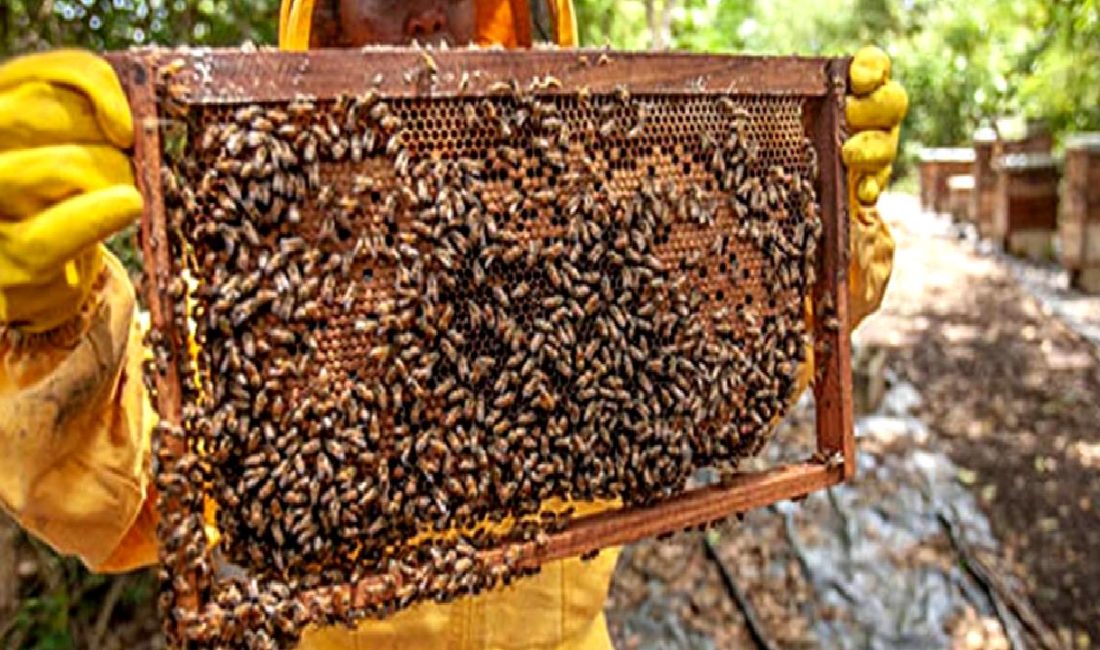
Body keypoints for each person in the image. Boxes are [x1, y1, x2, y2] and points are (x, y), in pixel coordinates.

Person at [0, 0, 907, 647]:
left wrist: (827, 226)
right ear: (322, 23)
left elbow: (737, 354)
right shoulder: (273, 267)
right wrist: (47, 327)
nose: (430, 17)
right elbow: (131, 482)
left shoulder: (603, 213)